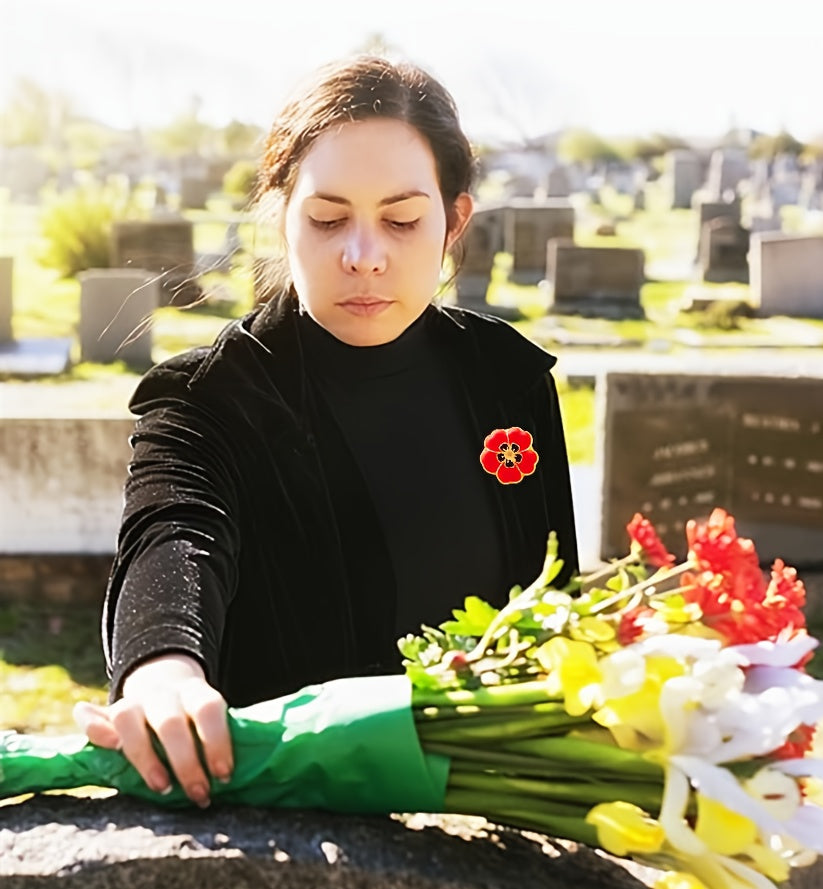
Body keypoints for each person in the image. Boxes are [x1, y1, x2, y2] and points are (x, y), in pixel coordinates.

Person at [74, 56, 578, 810]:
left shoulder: (506, 378)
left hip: (489, 809)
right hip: (285, 819)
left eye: (403, 220)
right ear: (281, 215)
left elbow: (555, 597)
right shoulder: (208, 399)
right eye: (328, 217)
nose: (363, 255)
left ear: (455, 223)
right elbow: (173, 534)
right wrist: (162, 667)